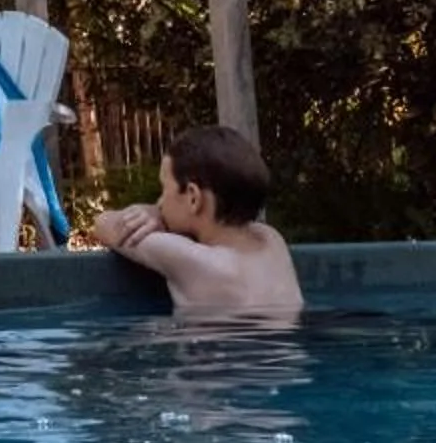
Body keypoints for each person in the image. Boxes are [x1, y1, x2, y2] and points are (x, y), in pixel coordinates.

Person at [92, 124, 302, 315]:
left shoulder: (191, 260)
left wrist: (151, 212)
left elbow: (104, 224)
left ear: (193, 197)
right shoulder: (272, 240)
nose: (160, 202)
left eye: (165, 189)